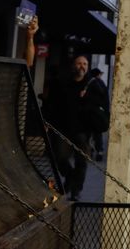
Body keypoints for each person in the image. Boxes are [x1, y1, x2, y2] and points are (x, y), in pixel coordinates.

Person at [42, 55, 107, 200]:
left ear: (88, 66)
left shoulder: (94, 84)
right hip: (64, 128)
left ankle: (76, 190)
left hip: (83, 130)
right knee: (60, 157)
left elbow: (101, 104)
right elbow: (54, 103)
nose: (82, 66)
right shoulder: (64, 83)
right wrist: (48, 121)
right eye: (79, 63)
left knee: (81, 161)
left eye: (84, 63)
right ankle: (70, 177)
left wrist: (87, 98)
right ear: (73, 66)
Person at [87, 68, 109, 161]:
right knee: (97, 134)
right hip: (98, 113)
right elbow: (105, 99)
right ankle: (99, 152)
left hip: (89, 112)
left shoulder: (89, 83)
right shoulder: (101, 83)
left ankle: (90, 151)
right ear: (98, 74)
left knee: (89, 133)